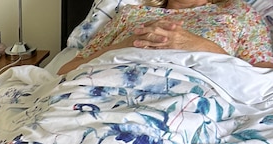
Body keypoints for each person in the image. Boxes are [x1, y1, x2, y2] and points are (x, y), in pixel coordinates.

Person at [59, 0, 273, 74]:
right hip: (107, 88)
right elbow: (65, 71)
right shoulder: (131, 14)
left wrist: (201, 46)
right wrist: (125, 45)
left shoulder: (238, 13)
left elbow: (263, 76)